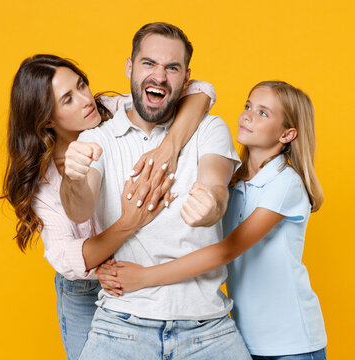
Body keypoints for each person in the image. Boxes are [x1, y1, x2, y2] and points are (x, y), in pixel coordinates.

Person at [0, 54, 216, 360]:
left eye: (82, 85)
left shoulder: (117, 112)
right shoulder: (45, 180)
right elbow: (65, 255)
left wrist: (169, 147)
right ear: (47, 119)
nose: (86, 100)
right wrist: (129, 223)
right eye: (68, 100)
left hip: (139, 274)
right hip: (86, 290)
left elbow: (200, 90)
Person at [61, 22, 251, 360]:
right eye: (149, 63)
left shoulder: (209, 128)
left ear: (186, 77)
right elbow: (79, 209)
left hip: (206, 328)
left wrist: (211, 205)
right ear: (129, 67)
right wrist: (73, 178)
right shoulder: (97, 139)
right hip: (121, 325)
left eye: (172, 68)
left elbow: (215, 185)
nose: (159, 77)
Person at [98, 81, 327, 360]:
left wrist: (144, 277)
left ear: (287, 134)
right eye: (248, 106)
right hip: (242, 335)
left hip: (292, 342)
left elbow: (226, 251)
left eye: (263, 113)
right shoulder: (232, 184)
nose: (247, 116)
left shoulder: (284, 184)